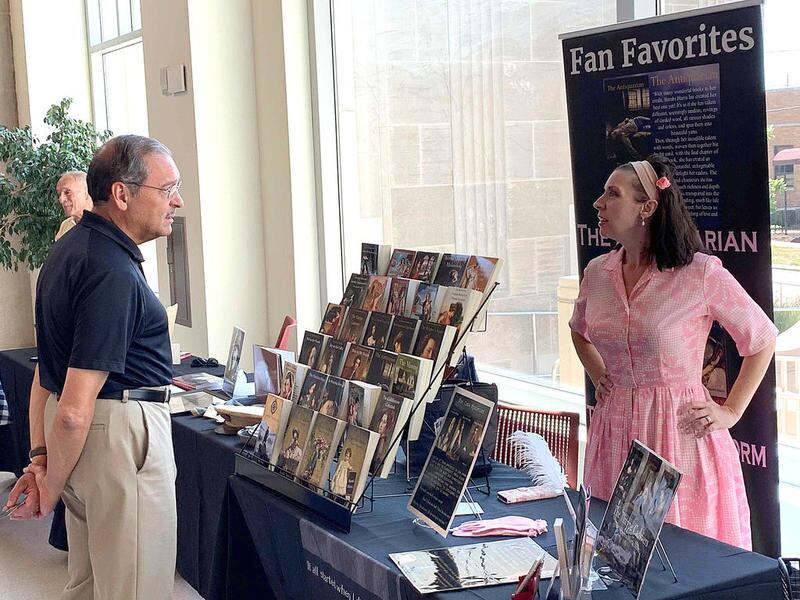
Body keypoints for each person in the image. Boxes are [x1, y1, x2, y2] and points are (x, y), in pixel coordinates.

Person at [6, 135, 184, 598]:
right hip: (117, 434)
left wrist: (42, 460)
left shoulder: (69, 251)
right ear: (122, 194)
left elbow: (47, 378)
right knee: (135, 588)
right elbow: (73, 406)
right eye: (167, 189)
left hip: (86, 441)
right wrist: (50, 485)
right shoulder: (111, 271)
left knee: (87, 585)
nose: (177, 201)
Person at [569, 155, 777, 550]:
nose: (597, 203)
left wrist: (730, 411)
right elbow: (579, 331)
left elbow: (762, 338)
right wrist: (601, 377)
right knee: (616, 559)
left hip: (678, 435)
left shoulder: (700, 273)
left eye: (612, 194)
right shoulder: (597, 273)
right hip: (614, 433)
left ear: (647, 208)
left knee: (683, 558)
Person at [55, 171, 93, 241]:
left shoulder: (104, 223)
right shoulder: (66, 225)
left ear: (87, 192)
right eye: (59, 194)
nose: (61, 200)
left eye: (67, 192)